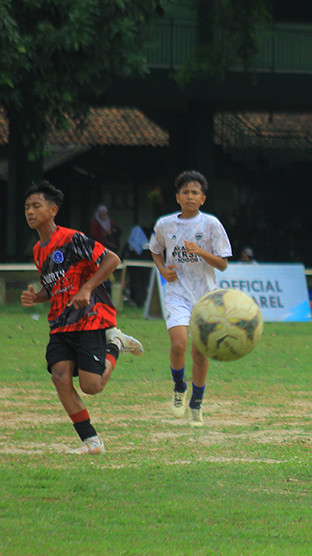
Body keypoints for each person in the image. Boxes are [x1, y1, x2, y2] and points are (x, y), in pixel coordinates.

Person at [20, 181, 144, 455]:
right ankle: (91, 441)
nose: (30, 211)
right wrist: (37, 297)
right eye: (27, 206)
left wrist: (87, 288)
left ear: (53, 210)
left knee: (92, 386)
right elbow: (54, 287)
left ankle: (116, 344)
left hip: (89, 318)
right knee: (59, 375)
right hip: (60, 323)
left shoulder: (72, 238)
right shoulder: (38, 250)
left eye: (36, 206)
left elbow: (112, 259)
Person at [149, 170, 233, 426]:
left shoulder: (211, 224)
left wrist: (200, 252)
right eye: (185, 192)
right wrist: (163, 270)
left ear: (203, 198)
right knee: (179, 344)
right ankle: (178, 387)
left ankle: (196, 403)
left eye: (195, 192)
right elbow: (155, 250)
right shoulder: (165, 224)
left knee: (199, 352)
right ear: (177, 197)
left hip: (205, 298)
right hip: (177, 294)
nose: (190, 196)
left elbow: (223, 264)